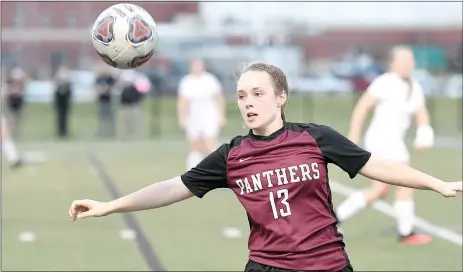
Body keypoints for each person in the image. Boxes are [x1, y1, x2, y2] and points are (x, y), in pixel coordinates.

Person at [69, 62, 462, 272]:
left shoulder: (314, 137)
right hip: (268, 267)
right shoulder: (232, 155)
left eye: (257, 93)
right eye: (241, 95)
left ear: (280, 98)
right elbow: (173, 187)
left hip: (328, 264)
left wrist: (437, 183)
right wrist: (108, 206)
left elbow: (379, 166)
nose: (247, 102)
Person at [335, 46, 436, 245]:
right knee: (407, 180)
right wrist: (353, 136)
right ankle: (406, 232)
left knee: (379, 190)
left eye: (411, 60)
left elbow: (421, 111)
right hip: (382, 141)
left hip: (394, 142)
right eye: (405, 60)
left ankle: (334, 218)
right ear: (393, 63)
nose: (410, 64)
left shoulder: (413, 86)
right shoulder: (385, 82)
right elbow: (363, 106)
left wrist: (425, 131)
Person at [177, 58, 226, 170]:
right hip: (194, 117)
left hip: (209, 115)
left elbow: (219, 98)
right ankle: (194, 170)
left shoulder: (210, 80)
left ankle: (220, 165)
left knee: (210, 143)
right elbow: (182, 101)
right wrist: (182, 118)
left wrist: (221, 115)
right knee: (195, 145)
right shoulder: (186, 81)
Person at [53, 66, 73, 139]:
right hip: (59, 104)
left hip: (65, 104)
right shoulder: (58, 85)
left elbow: (69, 95)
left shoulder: (68, 85)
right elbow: (56, 95)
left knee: (65, 118)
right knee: (59, 118)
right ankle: (60, 132)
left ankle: (65, 132)